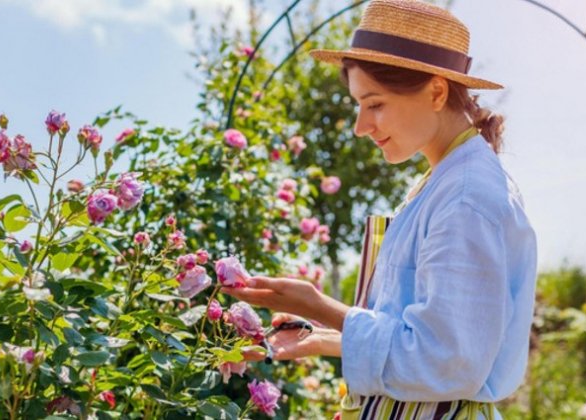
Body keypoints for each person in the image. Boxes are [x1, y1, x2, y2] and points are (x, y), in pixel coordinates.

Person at [221, 0, 537, 418]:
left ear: (437, 91)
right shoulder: (442, 182)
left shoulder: (465, 197)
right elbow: (420, 335)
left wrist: (320, 305)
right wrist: (327, 337)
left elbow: (446, 360)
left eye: (375, 104)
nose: (360, 126)